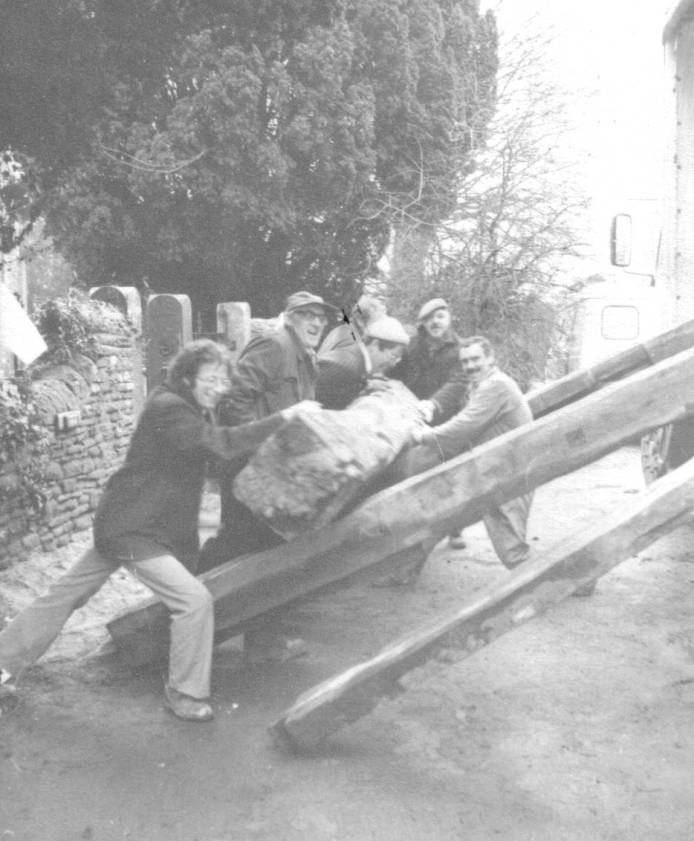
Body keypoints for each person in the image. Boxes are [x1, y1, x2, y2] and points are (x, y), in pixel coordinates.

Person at [0, 339, 314, 722]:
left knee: (66, 595)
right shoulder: (170, 409)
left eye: (222, 382)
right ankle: (184, 693)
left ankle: (2, 664)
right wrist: (282, 419)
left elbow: (212, 458)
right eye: (209, 380)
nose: (217, 388)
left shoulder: (189, 408)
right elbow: (216, 446)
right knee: (193, 601)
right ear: (186, 376)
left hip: (129, 521)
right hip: (136, 529)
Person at [198, 290, 337, 662]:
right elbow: (231, 398)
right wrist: (259, 449)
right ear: (290, 316)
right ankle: (188, 611)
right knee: (251, 549)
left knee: (258, 550)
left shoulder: (305, 357)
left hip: (271, 473)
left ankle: (242, 632)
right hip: (250, 470)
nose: (316, 323)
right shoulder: (275, 345)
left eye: (321, 318)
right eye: (307, 315)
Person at [410, 335, 534, 569]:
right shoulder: (482, 385)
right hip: (491, 468)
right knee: (441, 514)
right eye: (465, 362)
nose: (470, 366)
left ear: (491, 358)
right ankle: (405, 570)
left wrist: (423, 436)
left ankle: (578, 575)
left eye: (476, 359)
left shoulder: (496, 385)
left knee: (513, 552)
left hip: (509, 473)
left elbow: (463, 426)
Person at [393, 297, 468, 548]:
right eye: (428, 319)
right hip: (413, 416)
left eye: (440, 317)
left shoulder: (460, 349)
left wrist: (434, 404)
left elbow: (458, 382)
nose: (435, 323)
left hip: (446, 418)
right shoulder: (413, 346)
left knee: (452, 473)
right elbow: (398, 373)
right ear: (422, 324)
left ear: (449, 319)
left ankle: (455, 528)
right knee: (412, 470)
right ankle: (413, 529)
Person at [316, 315, 410, 409]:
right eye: (393, 356)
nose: (393, 364)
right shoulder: (345, 366)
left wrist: (366, 386)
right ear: (375, 344)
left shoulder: (356, 360)